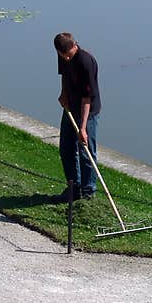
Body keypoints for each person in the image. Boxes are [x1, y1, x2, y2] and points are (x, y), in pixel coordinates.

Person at [53, 32, 101, 201]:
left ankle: (88, 193)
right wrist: (63, 93)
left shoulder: (86, 62)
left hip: (88, 111)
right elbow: (64, 76)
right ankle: (74, 188)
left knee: (85, 152)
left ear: (74, 46)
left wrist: (83, 128)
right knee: (66, 148)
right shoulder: (63, 55)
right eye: (62, 56)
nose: (66, 59)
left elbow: (87, 99)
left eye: (68, 55)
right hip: (70, 107)